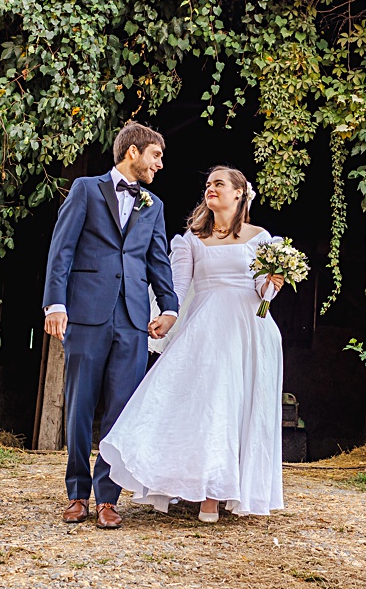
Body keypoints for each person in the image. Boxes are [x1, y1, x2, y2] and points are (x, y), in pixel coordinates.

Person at [98, 165, 286, 522]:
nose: (210, 189)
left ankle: (222, 492)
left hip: (249, 330)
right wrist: (168, 318)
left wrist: (274, 282)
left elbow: (263, 292)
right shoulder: (191, 240)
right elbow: (178, 288)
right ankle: (203, 490)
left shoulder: (261, 238)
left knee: (236, 408)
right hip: (206, 329)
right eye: (208, 185)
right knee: (207, 404)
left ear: (238, 193)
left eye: (219, 184)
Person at [42, 122, 179, 529]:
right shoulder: (86, 189)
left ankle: (107, 498)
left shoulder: (153, 205)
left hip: (134, 318)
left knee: (121, 410)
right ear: (133, 152)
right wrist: (55, 303)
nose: (159, 164)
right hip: (86, 313)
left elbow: (158, 261)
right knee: (81, 404)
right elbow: (61, 249)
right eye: (155, 155)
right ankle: (77, 494)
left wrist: (168, 308)